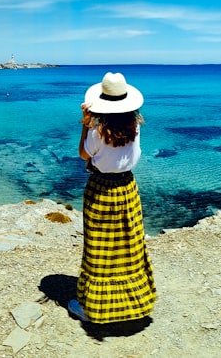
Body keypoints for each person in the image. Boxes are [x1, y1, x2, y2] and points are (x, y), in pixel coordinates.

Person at [67, 72, 156, 323]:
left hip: (101, 189)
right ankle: (133, 304)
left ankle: (95, 308)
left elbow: (83, 155)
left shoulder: (97, 131)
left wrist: (85, 123)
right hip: (127, 187)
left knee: (99, 248)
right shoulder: (135, 127)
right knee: (128, 245)